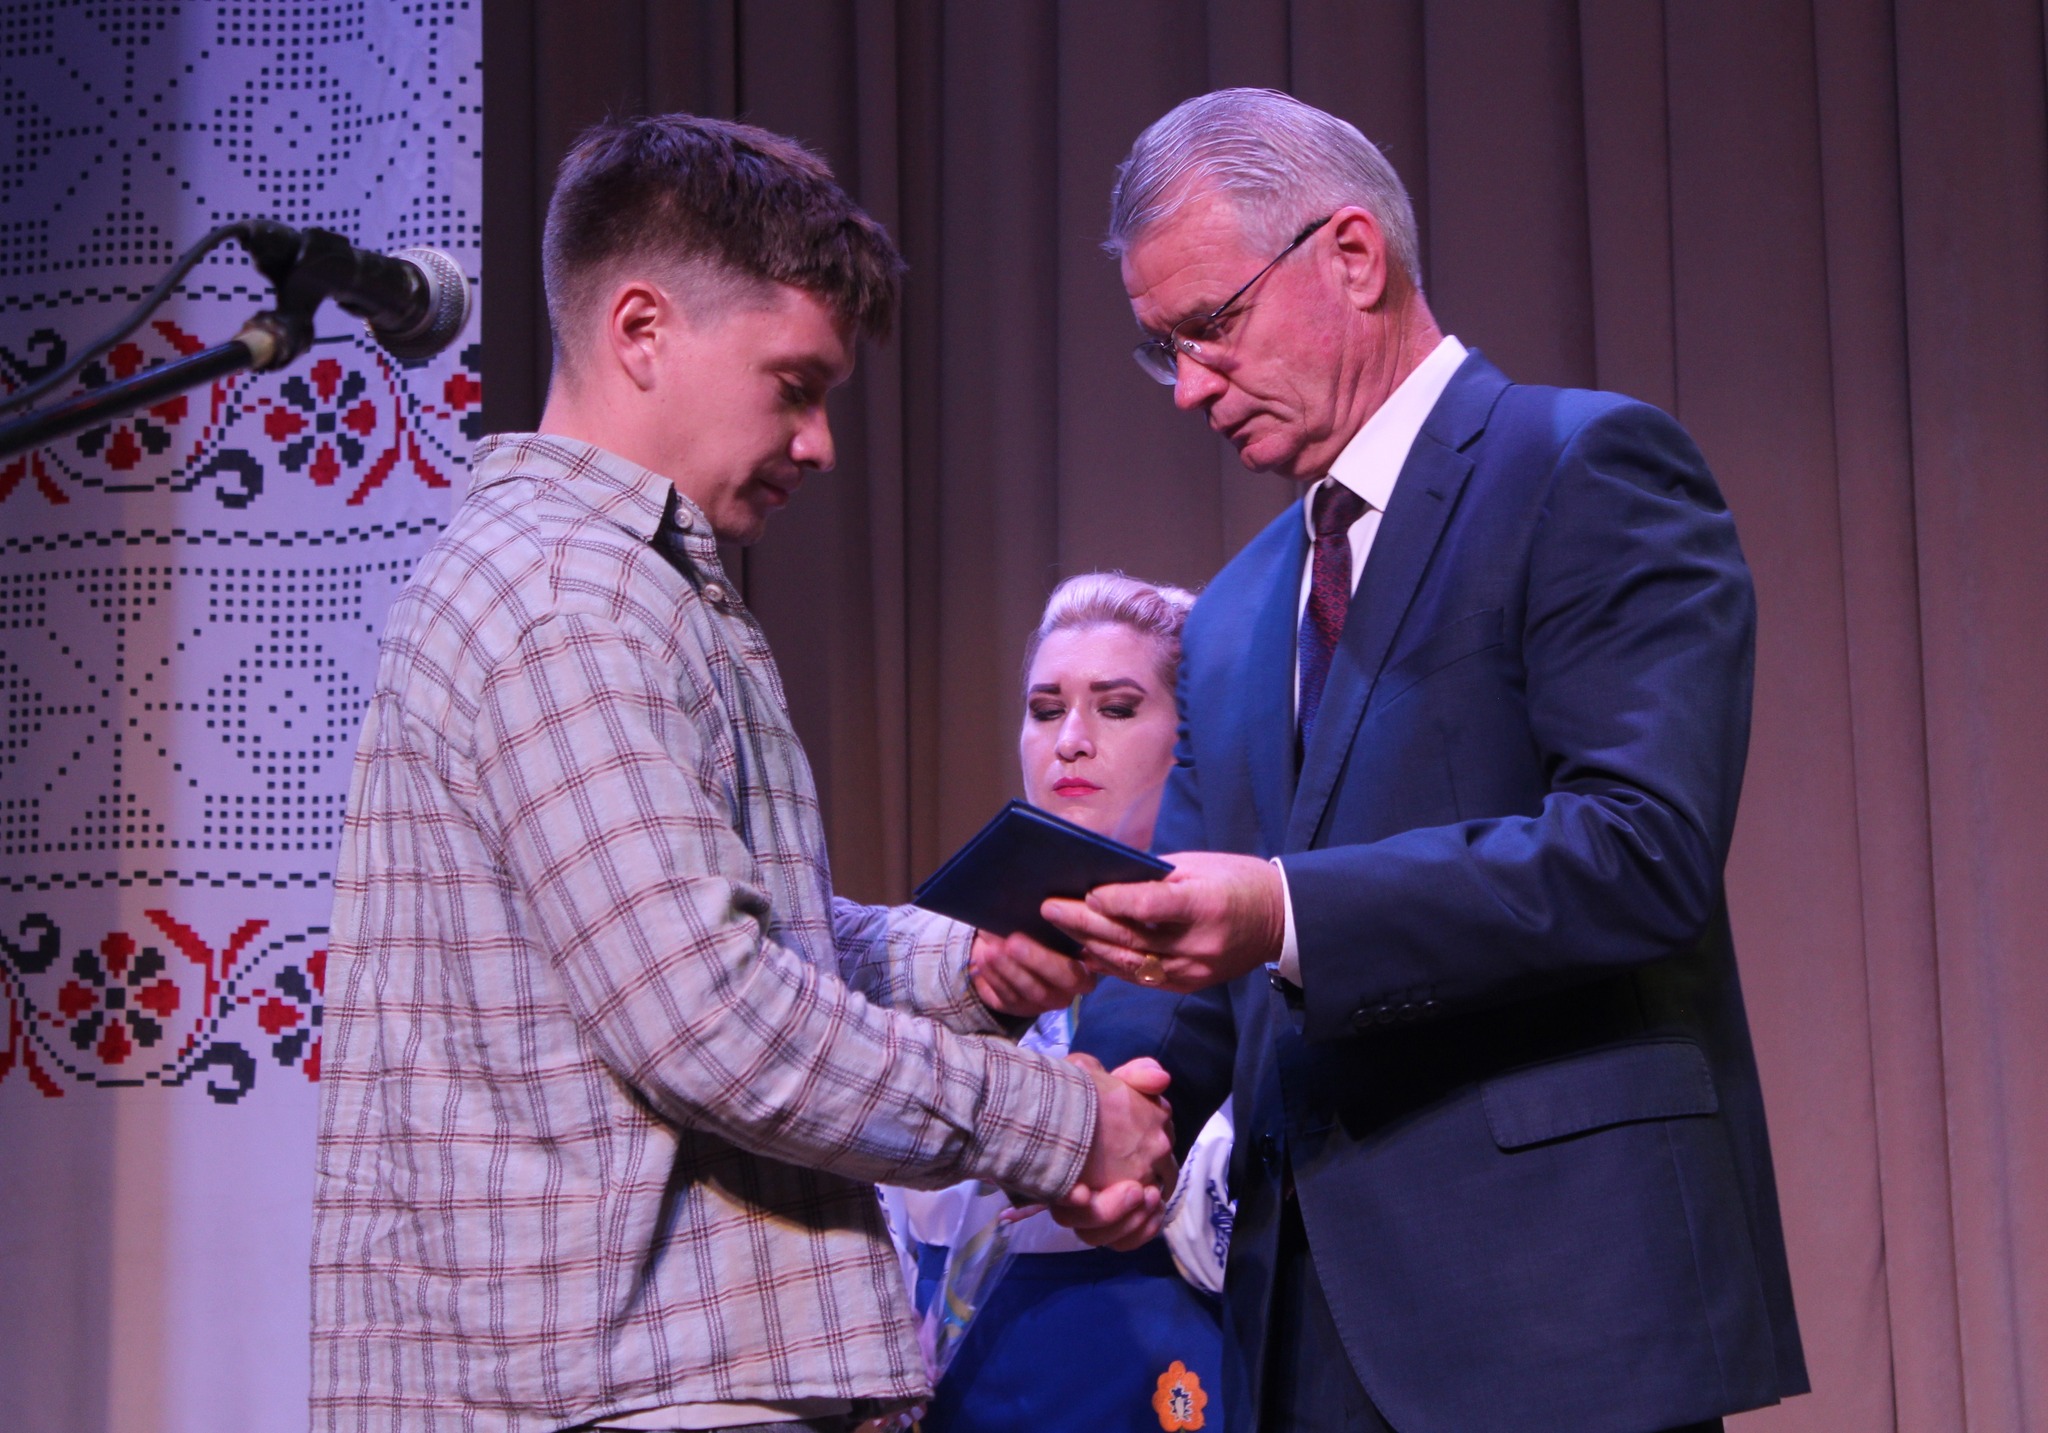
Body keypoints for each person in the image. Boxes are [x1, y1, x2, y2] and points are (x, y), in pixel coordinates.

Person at [309, 114, 1175, 1433]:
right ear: (641, 331)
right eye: (793, 385)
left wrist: (962, 967)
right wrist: (1061, 1123)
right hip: (616, 1393)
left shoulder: (613, 586)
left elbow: (731, 945)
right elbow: (711, 1021)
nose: (819, 443)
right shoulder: (571, 598)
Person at [1049, 89, 1810, 1433]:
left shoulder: (1582, 468)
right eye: (1162, 350)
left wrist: (1286, 911)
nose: (1190, 388)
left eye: (1212, 326)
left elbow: (1638, 855)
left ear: (1351, 254)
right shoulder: (1231, 614)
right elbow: (1188, 942)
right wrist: (1110, 1103)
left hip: (1558, 1311)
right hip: (1299, 1329)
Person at [894, 573, 1232, 1432]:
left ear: (1192, 736)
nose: (1071, 741)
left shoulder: (1246, 969)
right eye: (1046, 710)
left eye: (1116, 708)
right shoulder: (946, 960)